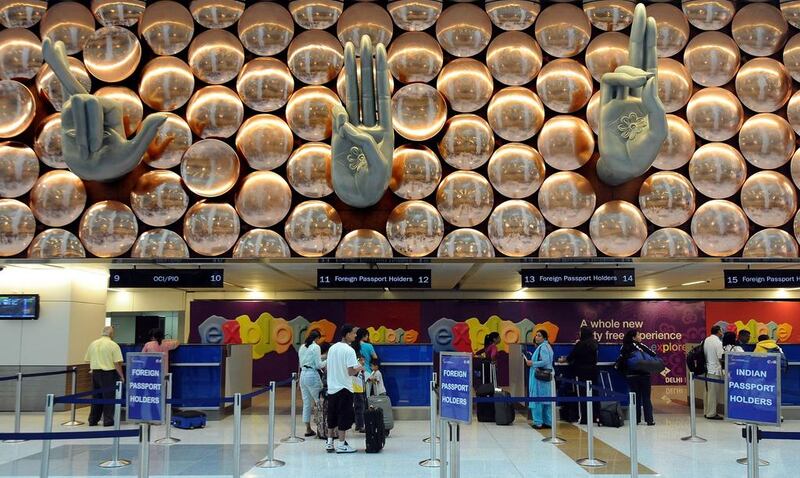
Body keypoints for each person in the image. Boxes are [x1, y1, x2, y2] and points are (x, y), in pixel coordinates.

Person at [325, 324, 363, 454]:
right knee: (343, 416)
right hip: (344, 388)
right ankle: (341, 444)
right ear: (347, 334)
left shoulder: (332, 348)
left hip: (332, 387)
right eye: (353, 333)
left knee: (332, 415)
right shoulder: (349, 350)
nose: (355, 335)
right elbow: (350, 372)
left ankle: (329, 443)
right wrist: (360, 367)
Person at [84, 326, 124, 427]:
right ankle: (108, 420)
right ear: (111, 334)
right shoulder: (113, 345)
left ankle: (93, 420)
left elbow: (88, 359)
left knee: (96, 396)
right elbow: (116, 363)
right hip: (108, 374)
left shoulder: (93, 343)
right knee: (108, 397)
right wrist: (122, 376)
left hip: (95, 373)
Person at [617, 329, 657, 426]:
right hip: (645, 375)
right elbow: (653, 354)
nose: (641, 337)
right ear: (634, 337)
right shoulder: (641, 346)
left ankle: (636, 419)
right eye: (639, 335)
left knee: (635, 397)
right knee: (646, 397)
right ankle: (649, 420)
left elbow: (622, 359)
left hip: (632, 376)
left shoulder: (624, 347)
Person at [565, 326, 599, 424]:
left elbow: (570, 357)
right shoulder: (595, 343)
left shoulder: (580, 344)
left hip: (581, 372)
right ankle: (596, 416)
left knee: (582, 395)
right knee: (594, 394)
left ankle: (584, 418)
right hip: (593, 371)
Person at [299, 330, 326, 437]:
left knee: (306, 403)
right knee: (319, 401)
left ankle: (308, 429)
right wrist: (328, 359)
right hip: (312, 375)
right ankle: (322, 427)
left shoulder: (302, 347)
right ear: (317, 338)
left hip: (303, 375)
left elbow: (308, 360)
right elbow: (319, 365)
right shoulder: (316, 347)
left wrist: (323, 357)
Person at [525, 329, 553, 430]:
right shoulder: (547, 346)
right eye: (536, 335)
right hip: (545, 377)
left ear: (544, 338)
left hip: (539, 377)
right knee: (546, 401)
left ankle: (538, 422)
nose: (537, 337)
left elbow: (545, 361)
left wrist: (533, 363)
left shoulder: (543, 347)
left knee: (537, 400)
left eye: (539, 335)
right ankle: (548, 421)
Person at [702, 325, 724, 420]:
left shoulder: (706, 340)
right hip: (715, 370)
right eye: (721, 331)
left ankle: (706, 411)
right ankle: (711, 413)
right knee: (713, 393)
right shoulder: (718, 342)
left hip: (708, 369)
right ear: (718, 331)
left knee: (708, 392)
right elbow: (720, 357)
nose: (722, 332)